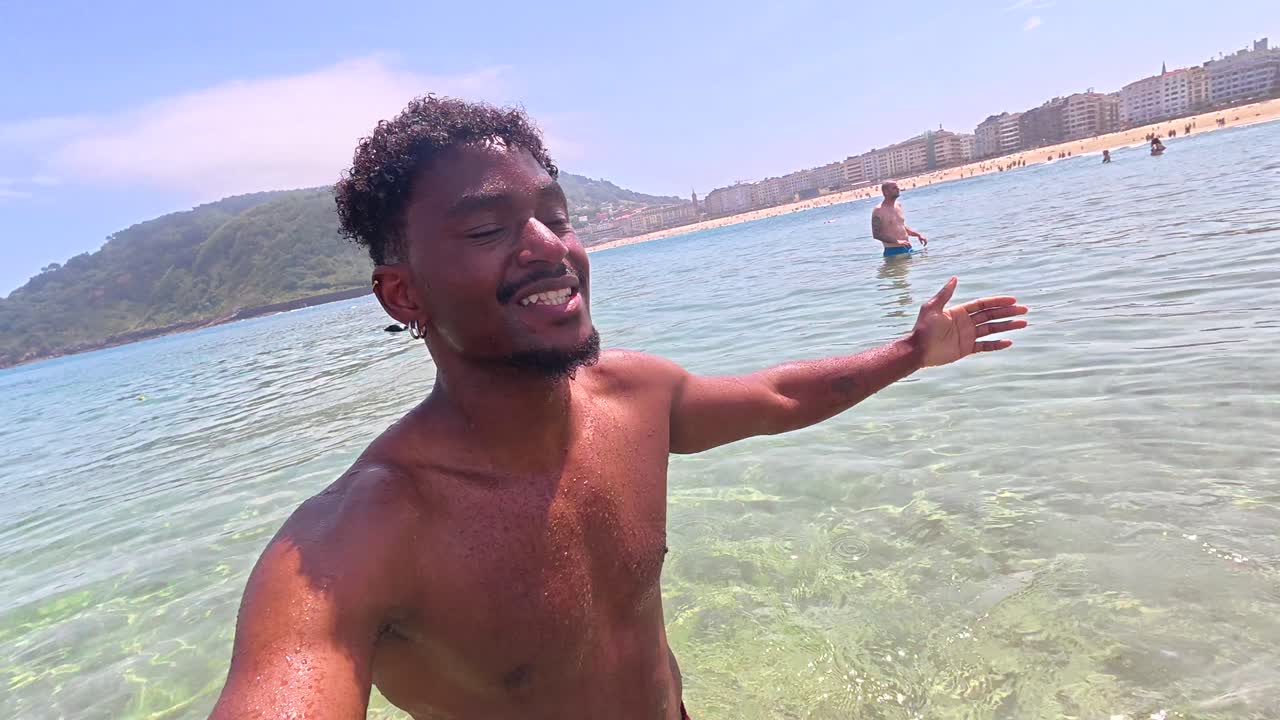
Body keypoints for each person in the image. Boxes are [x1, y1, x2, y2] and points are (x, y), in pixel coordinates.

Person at [207, 96, 1028, 720]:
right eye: (488, 228)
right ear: (403, 293)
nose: (547, 244)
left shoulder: (633, 398)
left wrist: (911, 353)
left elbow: (778, 396)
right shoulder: (355, 539)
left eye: (556, 217)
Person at [871, 181, 928, 257]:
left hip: (907, 248)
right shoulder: (878, 210)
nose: (898, 189)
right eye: (894, 188)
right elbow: (876, 234)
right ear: (886, 192)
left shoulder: (898, 205)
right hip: (893, 252)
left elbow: (901, 226)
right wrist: (897, 242)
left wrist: (918, 235)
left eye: (897, 187)